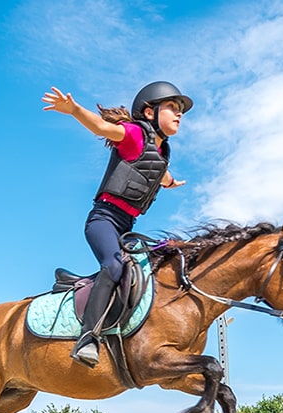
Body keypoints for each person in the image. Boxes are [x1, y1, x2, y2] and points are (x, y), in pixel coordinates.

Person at [42, 81, 193, 367]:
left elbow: (158, 171)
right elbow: (102, 128)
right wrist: (73, 109)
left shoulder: (161, 152)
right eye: (172, 107)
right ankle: (88, 338)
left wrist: (171, 182)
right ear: (150, 113)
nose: (179, 114)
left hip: (127, 226)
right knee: (113, 266)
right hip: (104, 219)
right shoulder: (135, 134)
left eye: (180, 110)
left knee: (152, 267)